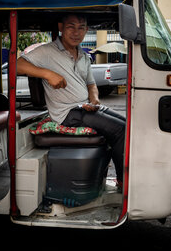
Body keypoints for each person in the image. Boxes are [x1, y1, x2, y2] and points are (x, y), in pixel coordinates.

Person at [17, 14, 125, 187]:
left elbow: (91, 84)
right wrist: (48, 74)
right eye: (71, 26)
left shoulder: (83, 56)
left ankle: (112, 173)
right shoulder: (47, 51)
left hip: (85, 107)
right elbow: (17, 65)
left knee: (127, 125)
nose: (76, 32)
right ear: (61, 27)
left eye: (81, 27)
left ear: (86, 30)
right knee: (119, 130)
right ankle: (123, 181)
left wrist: (95, 100)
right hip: (67, 113)